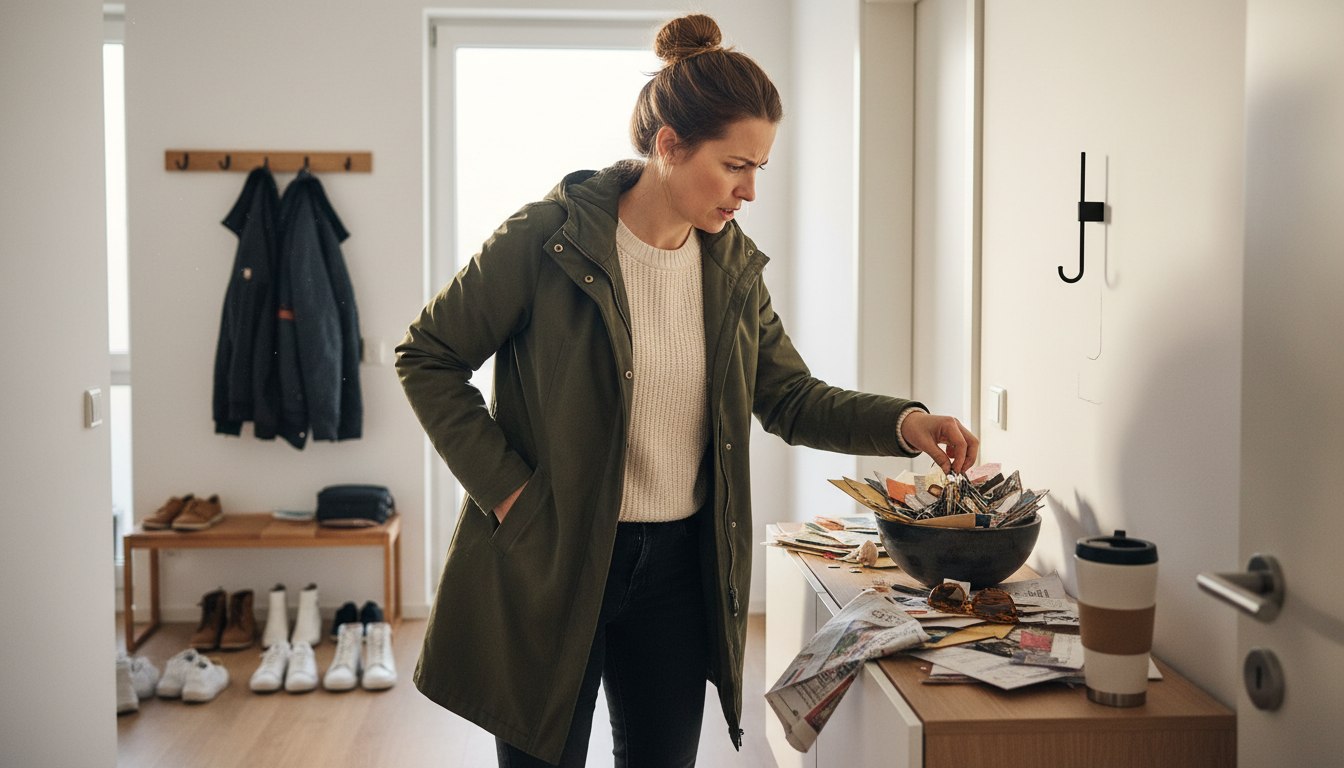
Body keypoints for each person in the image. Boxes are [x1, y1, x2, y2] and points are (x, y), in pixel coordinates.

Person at [395, 13, 978, 767]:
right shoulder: (545, 240)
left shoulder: (729, 269)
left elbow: (791, 397)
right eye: (736, 164)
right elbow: (427, 355)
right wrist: (509, 493)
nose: (750, 190)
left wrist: (906, 421)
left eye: (761, 167)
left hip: (677, 571)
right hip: (556, 554)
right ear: (669, 145)